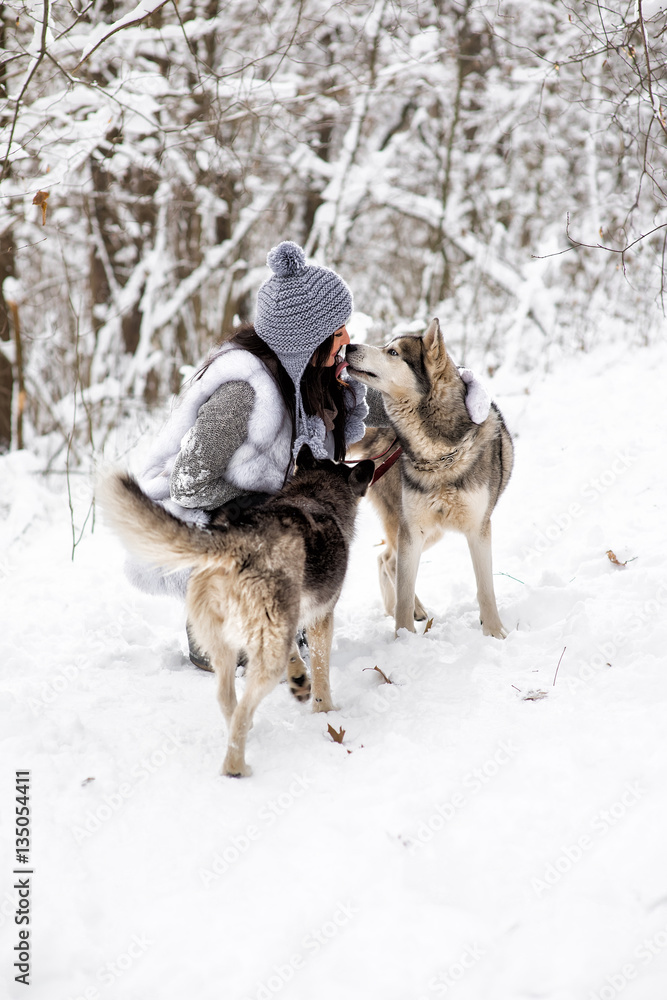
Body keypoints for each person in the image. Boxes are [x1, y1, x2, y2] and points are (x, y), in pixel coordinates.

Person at [126, 240, 489, 667]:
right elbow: (188, 484)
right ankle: (209, 630)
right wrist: (273, 503)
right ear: (308, 341)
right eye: (339, 332)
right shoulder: (242, 395)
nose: (349, 340)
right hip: (209, 532)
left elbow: (390, 401)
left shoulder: (316, 378)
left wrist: (453, 394)